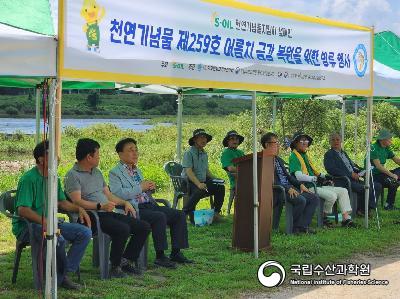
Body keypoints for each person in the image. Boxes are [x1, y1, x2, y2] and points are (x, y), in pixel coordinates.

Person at [64, 138, 151, 278]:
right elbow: (77, 202)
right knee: (122, 229)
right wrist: (99, 206)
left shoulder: (97, 172)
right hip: (90, 217)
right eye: (98, 155)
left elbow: (109, 195)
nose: (99, 157)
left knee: (143, 226)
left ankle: (125, 261)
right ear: (89, 157)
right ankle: (114, 267)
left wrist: (124, 203)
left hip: (106, 212)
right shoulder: (72, 175)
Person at [12, 140, 92, 290]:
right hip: (28, 227)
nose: (57, 158)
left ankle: (63, 274)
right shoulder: (28, 179)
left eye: (57, 155)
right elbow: (23, 210)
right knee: (58, 239)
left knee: (84, 233)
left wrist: (78, 208)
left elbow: (61, 202)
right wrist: (46, 222)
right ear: (41, 159)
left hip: (50, 223)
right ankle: (61, 277)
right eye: (52, 155)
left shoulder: (53, 177)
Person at [109, 138, 193, 268]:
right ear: (120, 154)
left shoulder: (137, 170)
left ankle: (176, 252)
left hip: (149, 205)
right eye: (130, 150)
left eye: (136, 150)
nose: (135, 153)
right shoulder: (115, 172)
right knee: (159, 217)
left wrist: (149, 188)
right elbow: (117, 194)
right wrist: (141, 188)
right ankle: (160, 256)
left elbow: (142, 191)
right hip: (134, 208)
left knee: (179, 214)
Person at [288, 132, 356, 228]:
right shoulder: (294, 157)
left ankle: (346, 219)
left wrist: (326, 177)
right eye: (301, 141)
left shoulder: (305, 156)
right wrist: (314, 178)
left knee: (343, 191)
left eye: (306, 141)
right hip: (307, 187)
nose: (304, 143)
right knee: (332, 196)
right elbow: (298, 176)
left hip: (316, 185)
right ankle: (324, 217)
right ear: (295, 143)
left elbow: (316, 172)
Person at [261, 132, 319, 234]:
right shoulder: (263, 160)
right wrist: (288, 188)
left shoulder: (278, 159)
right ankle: (294, 228)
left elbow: (288, 177)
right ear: (267, 145)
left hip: (287, 188)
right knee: (301, 200)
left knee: (313, 198)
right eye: (275, 143)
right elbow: (271, 180)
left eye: (278, 143)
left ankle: (302, 226)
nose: (278, 145)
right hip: (277, 191)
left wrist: (300, 185)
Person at [324, 132, 382, 215]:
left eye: (337, 139)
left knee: (376, 185)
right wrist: (350, 174)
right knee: (365, 188)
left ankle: (367, 208)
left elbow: (353, 166)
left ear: (341, 141)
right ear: (330, 142)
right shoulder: (329, 154)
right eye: (333, 140)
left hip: (354, 178)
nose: (335, 141)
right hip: (343, 180)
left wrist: (363, 171)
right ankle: (361, 210)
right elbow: (331, 169)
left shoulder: (343, 153)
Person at [182, 129, 225, 224]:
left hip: (202, 181)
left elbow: (206, 171)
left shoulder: (204, 153)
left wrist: (215, 178)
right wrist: (198, 184)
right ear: (194, 140)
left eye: (205, 137)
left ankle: (216, 213)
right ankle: (183, 214)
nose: (204, 140)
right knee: (200, 190)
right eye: (201, 137)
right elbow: (188, 172)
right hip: (188, 182)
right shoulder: (188, 153)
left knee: (220, 186)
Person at [369, 129, 400, 210]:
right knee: (394, 182)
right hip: (373, 175)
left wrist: (393, 175)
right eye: (389, 138)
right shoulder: (373, 148)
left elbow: (397, 160)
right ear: (383, 139)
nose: (391, 140)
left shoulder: (386, 148)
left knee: (395, 179)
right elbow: (378, 166)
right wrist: (392, 175)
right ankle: (388, 205)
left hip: (382, 174)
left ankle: (389, 204)